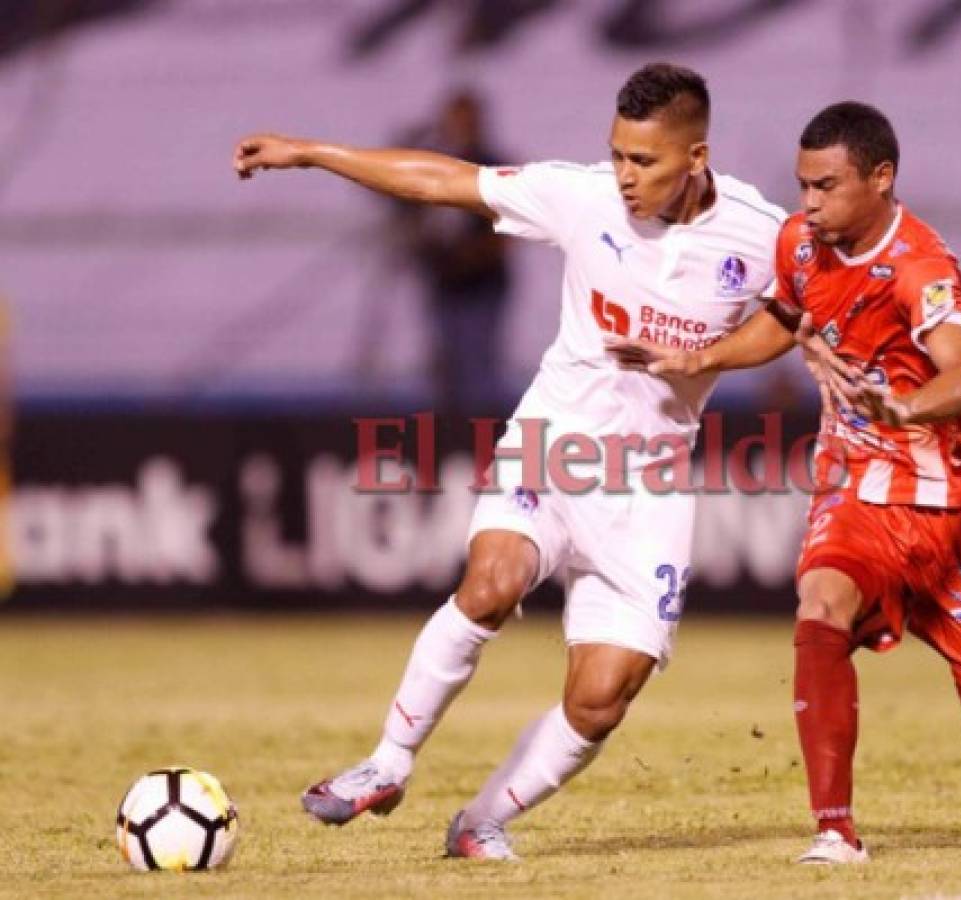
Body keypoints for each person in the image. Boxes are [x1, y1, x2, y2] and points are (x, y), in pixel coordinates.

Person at [232, 63, 787, 859]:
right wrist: (314, 152)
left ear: (695, 157)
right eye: (618, 155)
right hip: (551, 439)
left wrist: (711, 358)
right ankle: (385, 763)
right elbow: (441, 182)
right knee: (490, 583)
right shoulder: (582, 194)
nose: (624, 177)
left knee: (600, 701)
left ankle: (479, 821)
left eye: (644, 162)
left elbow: (794, 316)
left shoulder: (760, 234)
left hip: (649, 485)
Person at [609, 101, 961, 865]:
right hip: (856, 491)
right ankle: (835, 830)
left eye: (825, 187)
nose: (808, 205)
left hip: (954, 511)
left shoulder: (920, 268)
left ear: (881, 178)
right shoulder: (800, 242)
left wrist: (905, 404)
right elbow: (787, 318)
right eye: (801, 186)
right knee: (820, 606)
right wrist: (704, 359)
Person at [354, 89, 512, 410]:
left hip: (481, 283)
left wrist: (476, 254)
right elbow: (392, 191)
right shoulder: (433, 165)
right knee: (444, 366)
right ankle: (449, 437)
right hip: (443, 283)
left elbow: (509, 229)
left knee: (478, 364)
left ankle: (485, 435)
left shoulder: (493, 167)